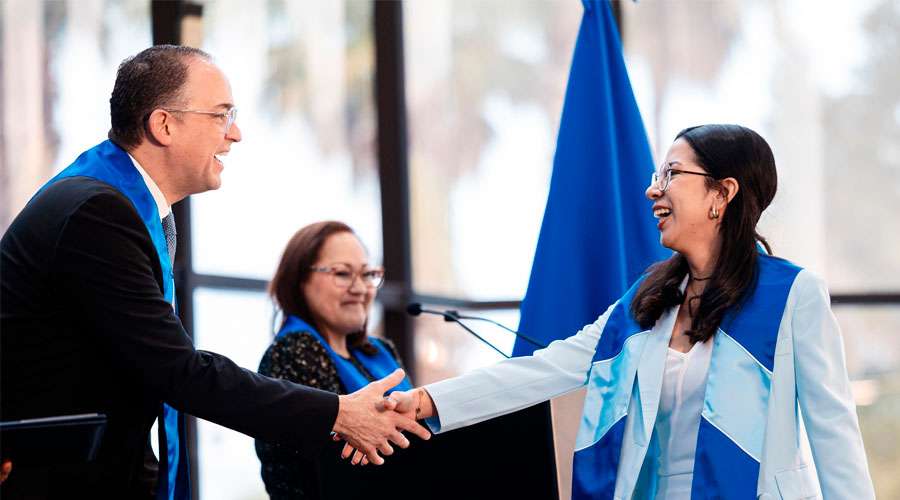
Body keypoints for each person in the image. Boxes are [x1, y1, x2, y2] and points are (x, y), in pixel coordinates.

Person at [0, 45, 427, 500]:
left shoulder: (120, 205)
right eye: (221, 115)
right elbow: (178, 372)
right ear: (164, 125)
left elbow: (134, 385)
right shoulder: (98, 213)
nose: (236, 134)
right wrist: (338, 414)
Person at [377, 125, 875, 499]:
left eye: (673, 174)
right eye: (658, 174)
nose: (653, 190)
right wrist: (425, 401)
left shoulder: (792, 295)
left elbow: (834, 435)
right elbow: (542, 370)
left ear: (723, 193)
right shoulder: (648, 299)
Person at [254, 221, 411, 499]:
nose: (360, 288)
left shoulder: (380, 350)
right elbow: (342, 468)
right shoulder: (294, 351)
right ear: (299, 279)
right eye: (342, 274)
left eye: (366, 274)